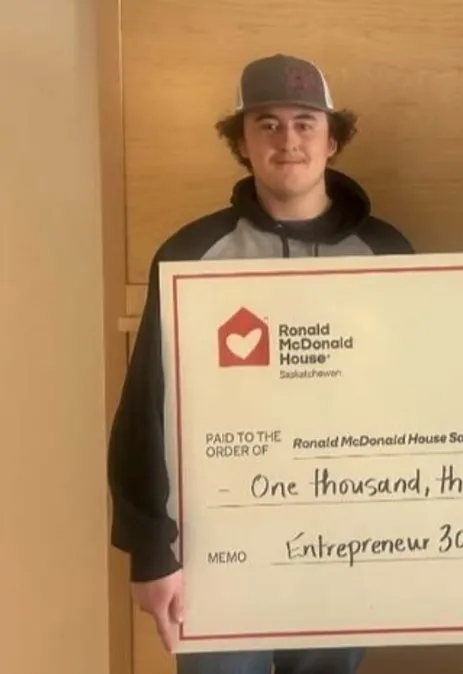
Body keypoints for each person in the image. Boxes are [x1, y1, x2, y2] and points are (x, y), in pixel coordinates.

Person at [107, 53, 414, 674]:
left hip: (345, 544)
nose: (288, 140)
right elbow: (147, 407)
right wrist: (148, 550)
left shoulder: (386, 252)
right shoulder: (192, 253)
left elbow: (419, 400)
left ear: (334, 139)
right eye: (266, 124)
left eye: (305, 122)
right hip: (219, 549)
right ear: (241, 144)